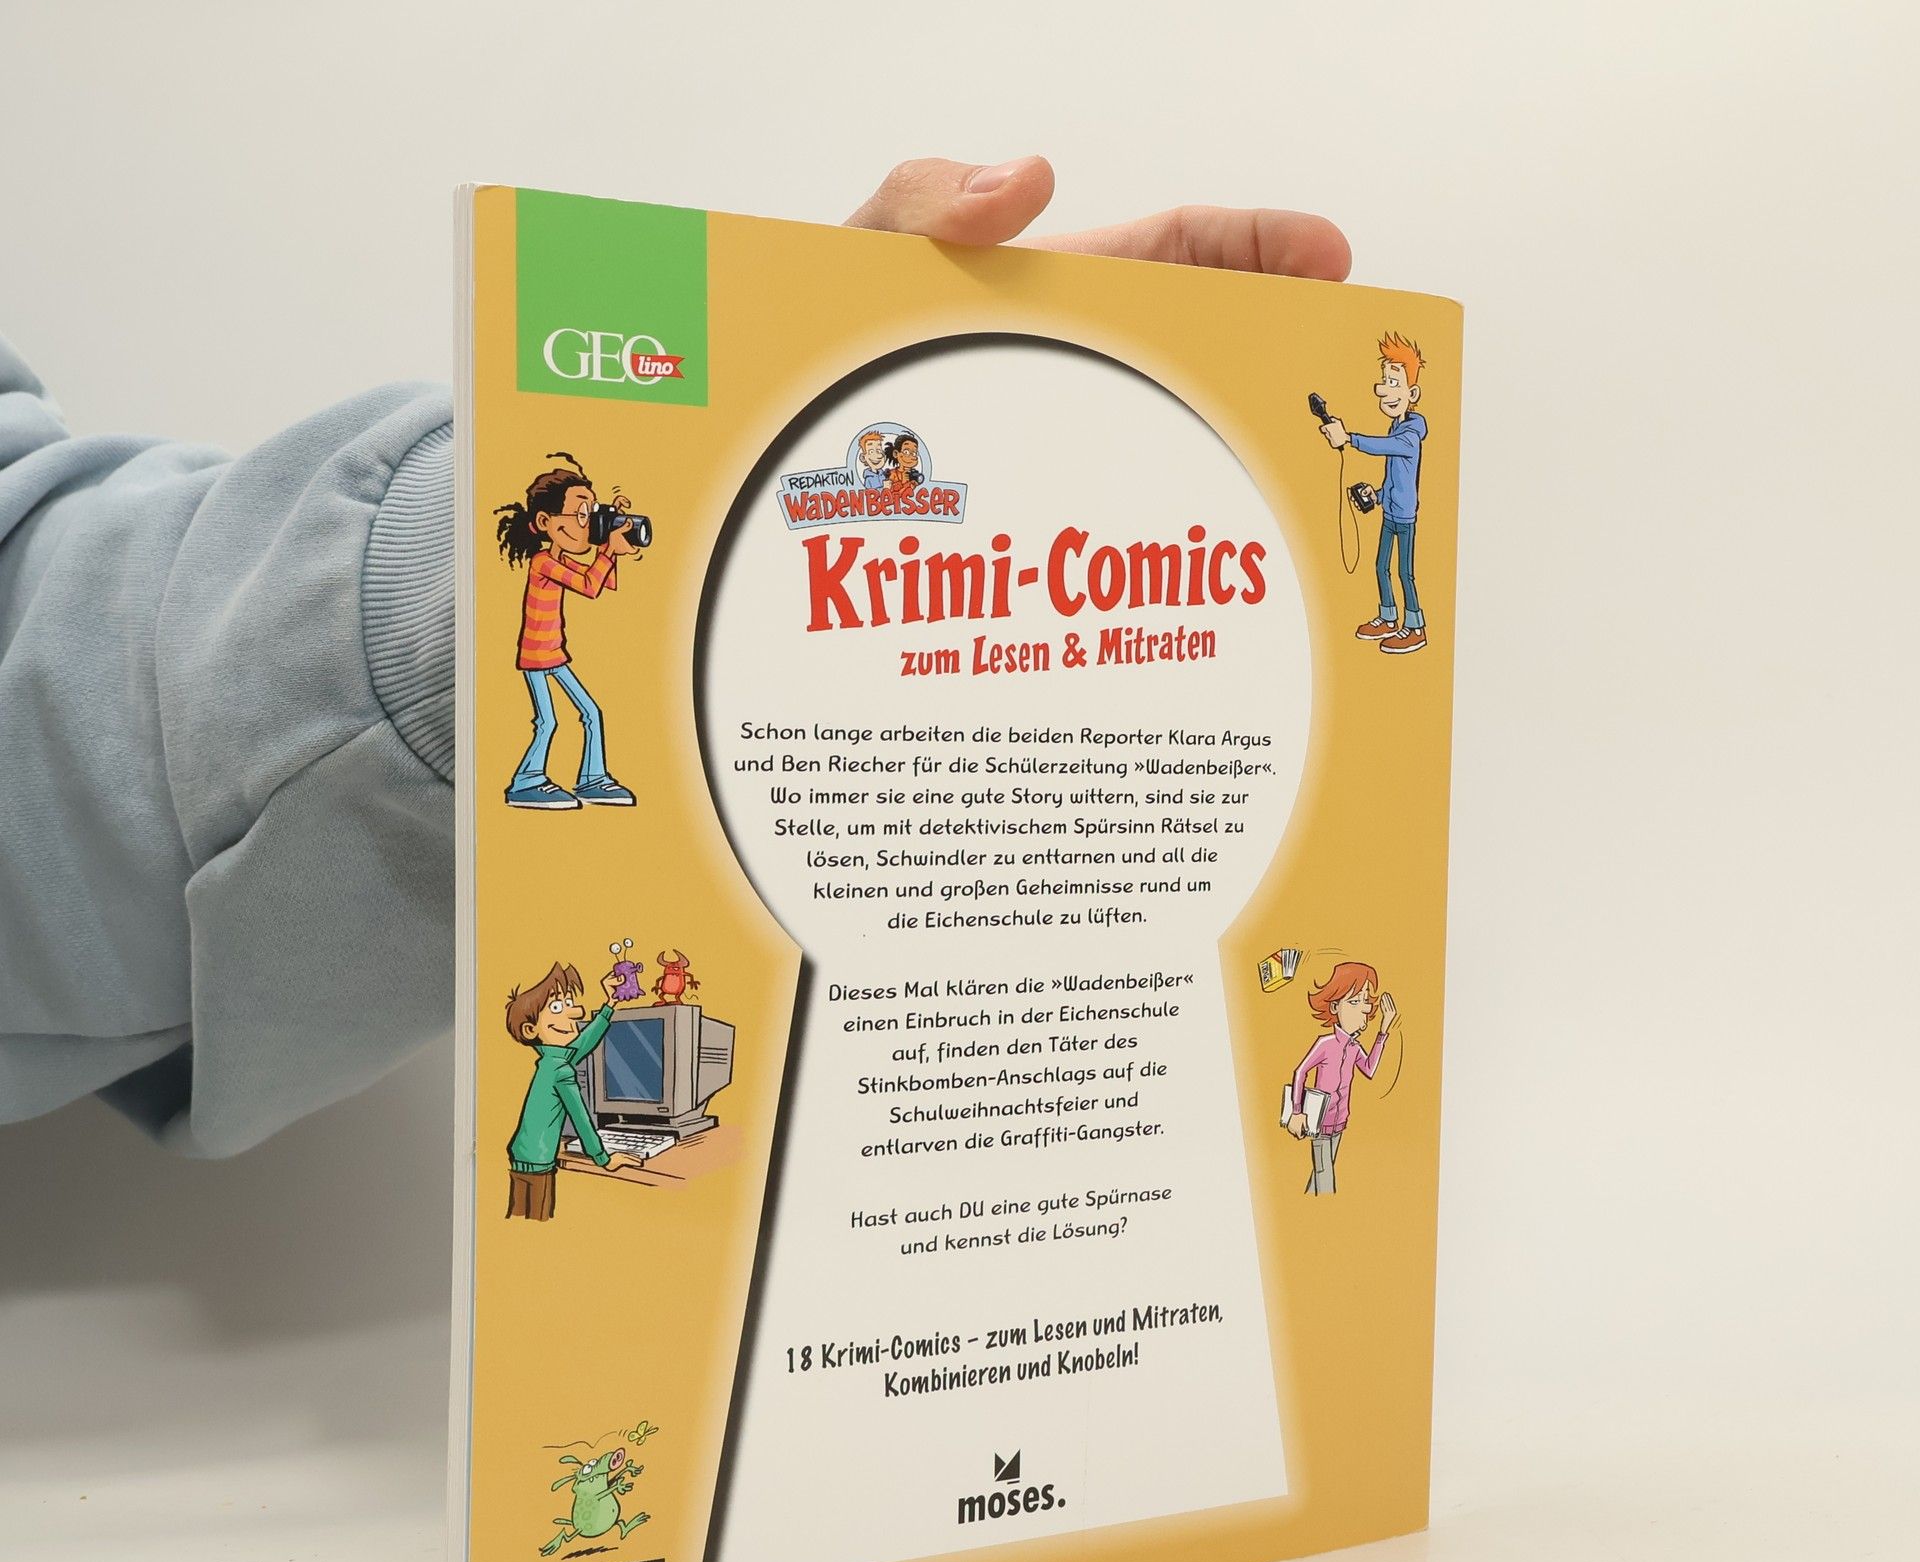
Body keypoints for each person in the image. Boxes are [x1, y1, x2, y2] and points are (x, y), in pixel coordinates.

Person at [0, 156, 1350, 1157]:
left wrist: (706, 521)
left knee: (574, 724)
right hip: (532, 662)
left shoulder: (572, 562)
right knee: (569, 723)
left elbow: (38, 611)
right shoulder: (553, 566)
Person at [493, 454, 639, 811]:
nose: (587, 525)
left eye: (591, 514)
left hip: (555, 654)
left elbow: (605, 584)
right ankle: (526, 782)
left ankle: (592, 778)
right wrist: (608, 552)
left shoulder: (562, 560)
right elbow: (589, 586)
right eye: (581, 514)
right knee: (548, 721)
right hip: (536, 655)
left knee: (592, 713)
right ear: (546, 521)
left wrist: (610, 546)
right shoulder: (543, 562)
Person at [1317, 332, 1429, 654]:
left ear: (1412, 393)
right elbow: (1396, 476)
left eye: (1394, 383)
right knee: (1381, 566)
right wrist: (1377, 495)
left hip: (1404, 517)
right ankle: (1389, 617)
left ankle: (1415, 627)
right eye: (1385, 381)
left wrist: (1349, 438)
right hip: (1389, 511)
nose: (1385, 390)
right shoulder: (1396, 427)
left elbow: (1385, 448)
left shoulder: (1409, 436)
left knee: (1405, 572)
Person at [503, 963, 639, 1220]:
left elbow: (582, 1045)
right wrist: (604, 1159)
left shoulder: (551, 1061)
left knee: (520, 1216)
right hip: (538, 1162)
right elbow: (581, 1119)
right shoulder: (561, 1070)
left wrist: (609, 1005)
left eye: (569, 1003)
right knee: (535, 1220)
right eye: (557, 1007)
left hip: (522, 1154)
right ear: (531, 1030)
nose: (575, 1013)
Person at [1285, 961, 1397, 1195]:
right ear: (1335, 1006)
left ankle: (1311, 1203)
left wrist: (1383, 1031)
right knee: (1325, 1174)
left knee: (1322, 1171)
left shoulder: (1354, 1047)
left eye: (1365, 1002)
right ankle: (1324, 1210)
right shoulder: (1325, 1044)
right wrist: (1296, 1111)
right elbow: (1300, 1072)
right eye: (1354, 1002)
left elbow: (1369, 1069)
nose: (1363, 1009)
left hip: (1340, 1121)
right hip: (1318, 1121)